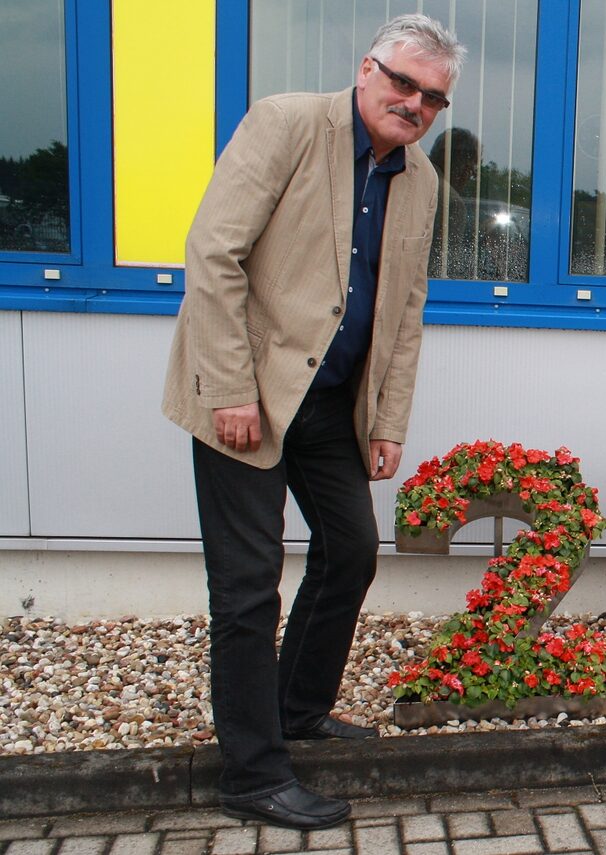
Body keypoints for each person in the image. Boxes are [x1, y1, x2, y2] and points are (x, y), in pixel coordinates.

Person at [160, 15, 465, 830]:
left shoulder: (422, 181)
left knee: (353, 549)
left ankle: (298, 709)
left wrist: (388, 418)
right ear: (367, 68)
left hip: (330, 404)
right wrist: (228, 385)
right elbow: (212, 253)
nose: (415, 104)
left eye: (433, 97)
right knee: (248, 584)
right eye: (404, 82)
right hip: (247, 394)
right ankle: (251, 773)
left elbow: (404, 308)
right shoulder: (288, 123)